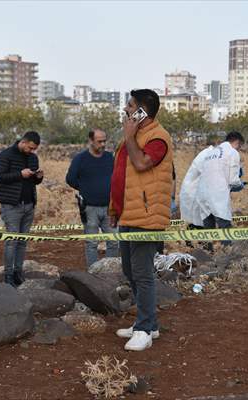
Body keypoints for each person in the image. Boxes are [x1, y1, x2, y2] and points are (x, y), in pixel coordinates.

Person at [110, 89, 173, 351]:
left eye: (130, 105)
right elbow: (121, 175)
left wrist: (129, 135)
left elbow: (141, 164)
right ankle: (148, 324)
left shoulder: (158, 137)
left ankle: (145, 329)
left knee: (143, 275)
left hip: (147, 217)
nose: (125, 109)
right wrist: (114, 209)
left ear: (142, 111)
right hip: (128, 214)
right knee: (129, 271)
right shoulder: (133, 137)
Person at [0, 131, 43, 287]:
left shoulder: (33, 158)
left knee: (22, 242)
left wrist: (38, 177)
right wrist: (20, 174)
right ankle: (8, 276)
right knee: (11, 242)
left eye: (34, 149)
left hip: (29, 204)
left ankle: (18, 273)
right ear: (23, 142)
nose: (32, 151)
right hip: (11, 205)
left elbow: (33, 182)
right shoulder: (5, 155)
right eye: (30, 148)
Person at [66, 129, 118, 268]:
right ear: (90, 141)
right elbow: (70, 179)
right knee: (91, 243)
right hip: (89, 208)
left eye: (104, 141)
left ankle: (109, 270)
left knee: (114, 241)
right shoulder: (80, 159)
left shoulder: (109, 157)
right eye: (99, 141)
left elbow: (117, 178)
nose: (102, 144)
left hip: (109, 208)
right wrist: (85, 188)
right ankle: (93, 274)